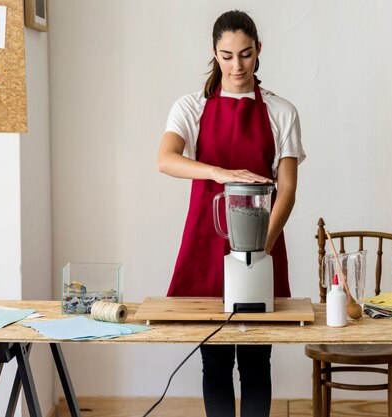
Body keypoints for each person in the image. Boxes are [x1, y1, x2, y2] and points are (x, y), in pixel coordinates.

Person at [157, 10, 305, 417]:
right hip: (206, 243)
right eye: (226, 56)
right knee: (215, 359)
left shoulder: (281, 111)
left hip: (265, 240)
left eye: (244, 54)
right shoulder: (191, 107)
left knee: (257, 359)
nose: (236, 66)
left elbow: (287, 191)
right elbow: (166, 159)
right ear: (214, 54)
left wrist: (259, 252)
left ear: (259, 50)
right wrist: (218, 172)